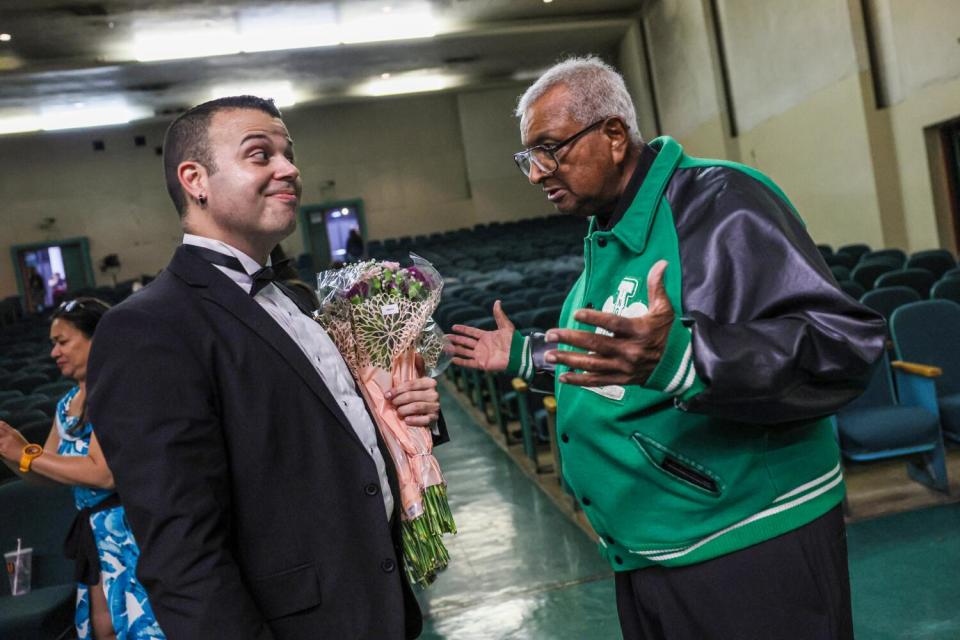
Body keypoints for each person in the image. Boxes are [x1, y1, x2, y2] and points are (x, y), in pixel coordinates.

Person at [448, 56, 885, 639]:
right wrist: (530, 356)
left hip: (747, 541)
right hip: (653, 547)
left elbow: (842, 344)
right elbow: (627, 358)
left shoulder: (719, 201)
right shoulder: (610, 228)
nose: (537, 173)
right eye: (529, 157)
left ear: (613, 136)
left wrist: (684, 357)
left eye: (550, 149)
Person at [86, 95, 446, 640]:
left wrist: (411, 417)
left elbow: (323, 442)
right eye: (260, 155)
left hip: (376, 607)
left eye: (289, 153)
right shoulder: (148, 328)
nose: (290, 169)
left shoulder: (296, 298)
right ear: (195, 179)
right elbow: (184, 555)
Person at [0, 297, 164, 640]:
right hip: (96, 533)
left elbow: (103, 473)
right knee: (103, 629)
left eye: (63, 342)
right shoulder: (67, 403)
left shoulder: (119, 390)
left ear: (98, 338)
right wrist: (11, 452)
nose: (54, 352)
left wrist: (25, 453)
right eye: (52, 344)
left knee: (140, 629)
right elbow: (46, 473)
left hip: (132, 528)